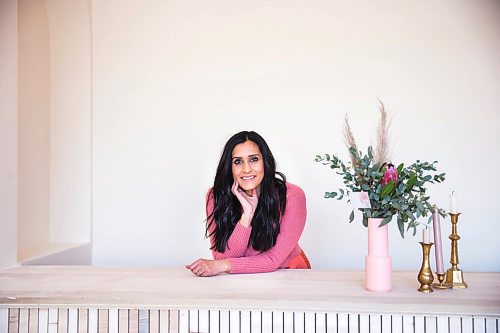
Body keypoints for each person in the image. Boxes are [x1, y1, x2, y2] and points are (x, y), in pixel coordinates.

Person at [186, 131, 310, 277]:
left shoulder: (292, 195)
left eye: (254, 159)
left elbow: (273, 259)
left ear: (265, 161)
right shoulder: (216, 196)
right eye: (238, 161)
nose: (246, 169)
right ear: (229, 166)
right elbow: (222, 256)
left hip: (288, 273)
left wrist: (225, 265)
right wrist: (247, 215)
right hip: (242, 277)